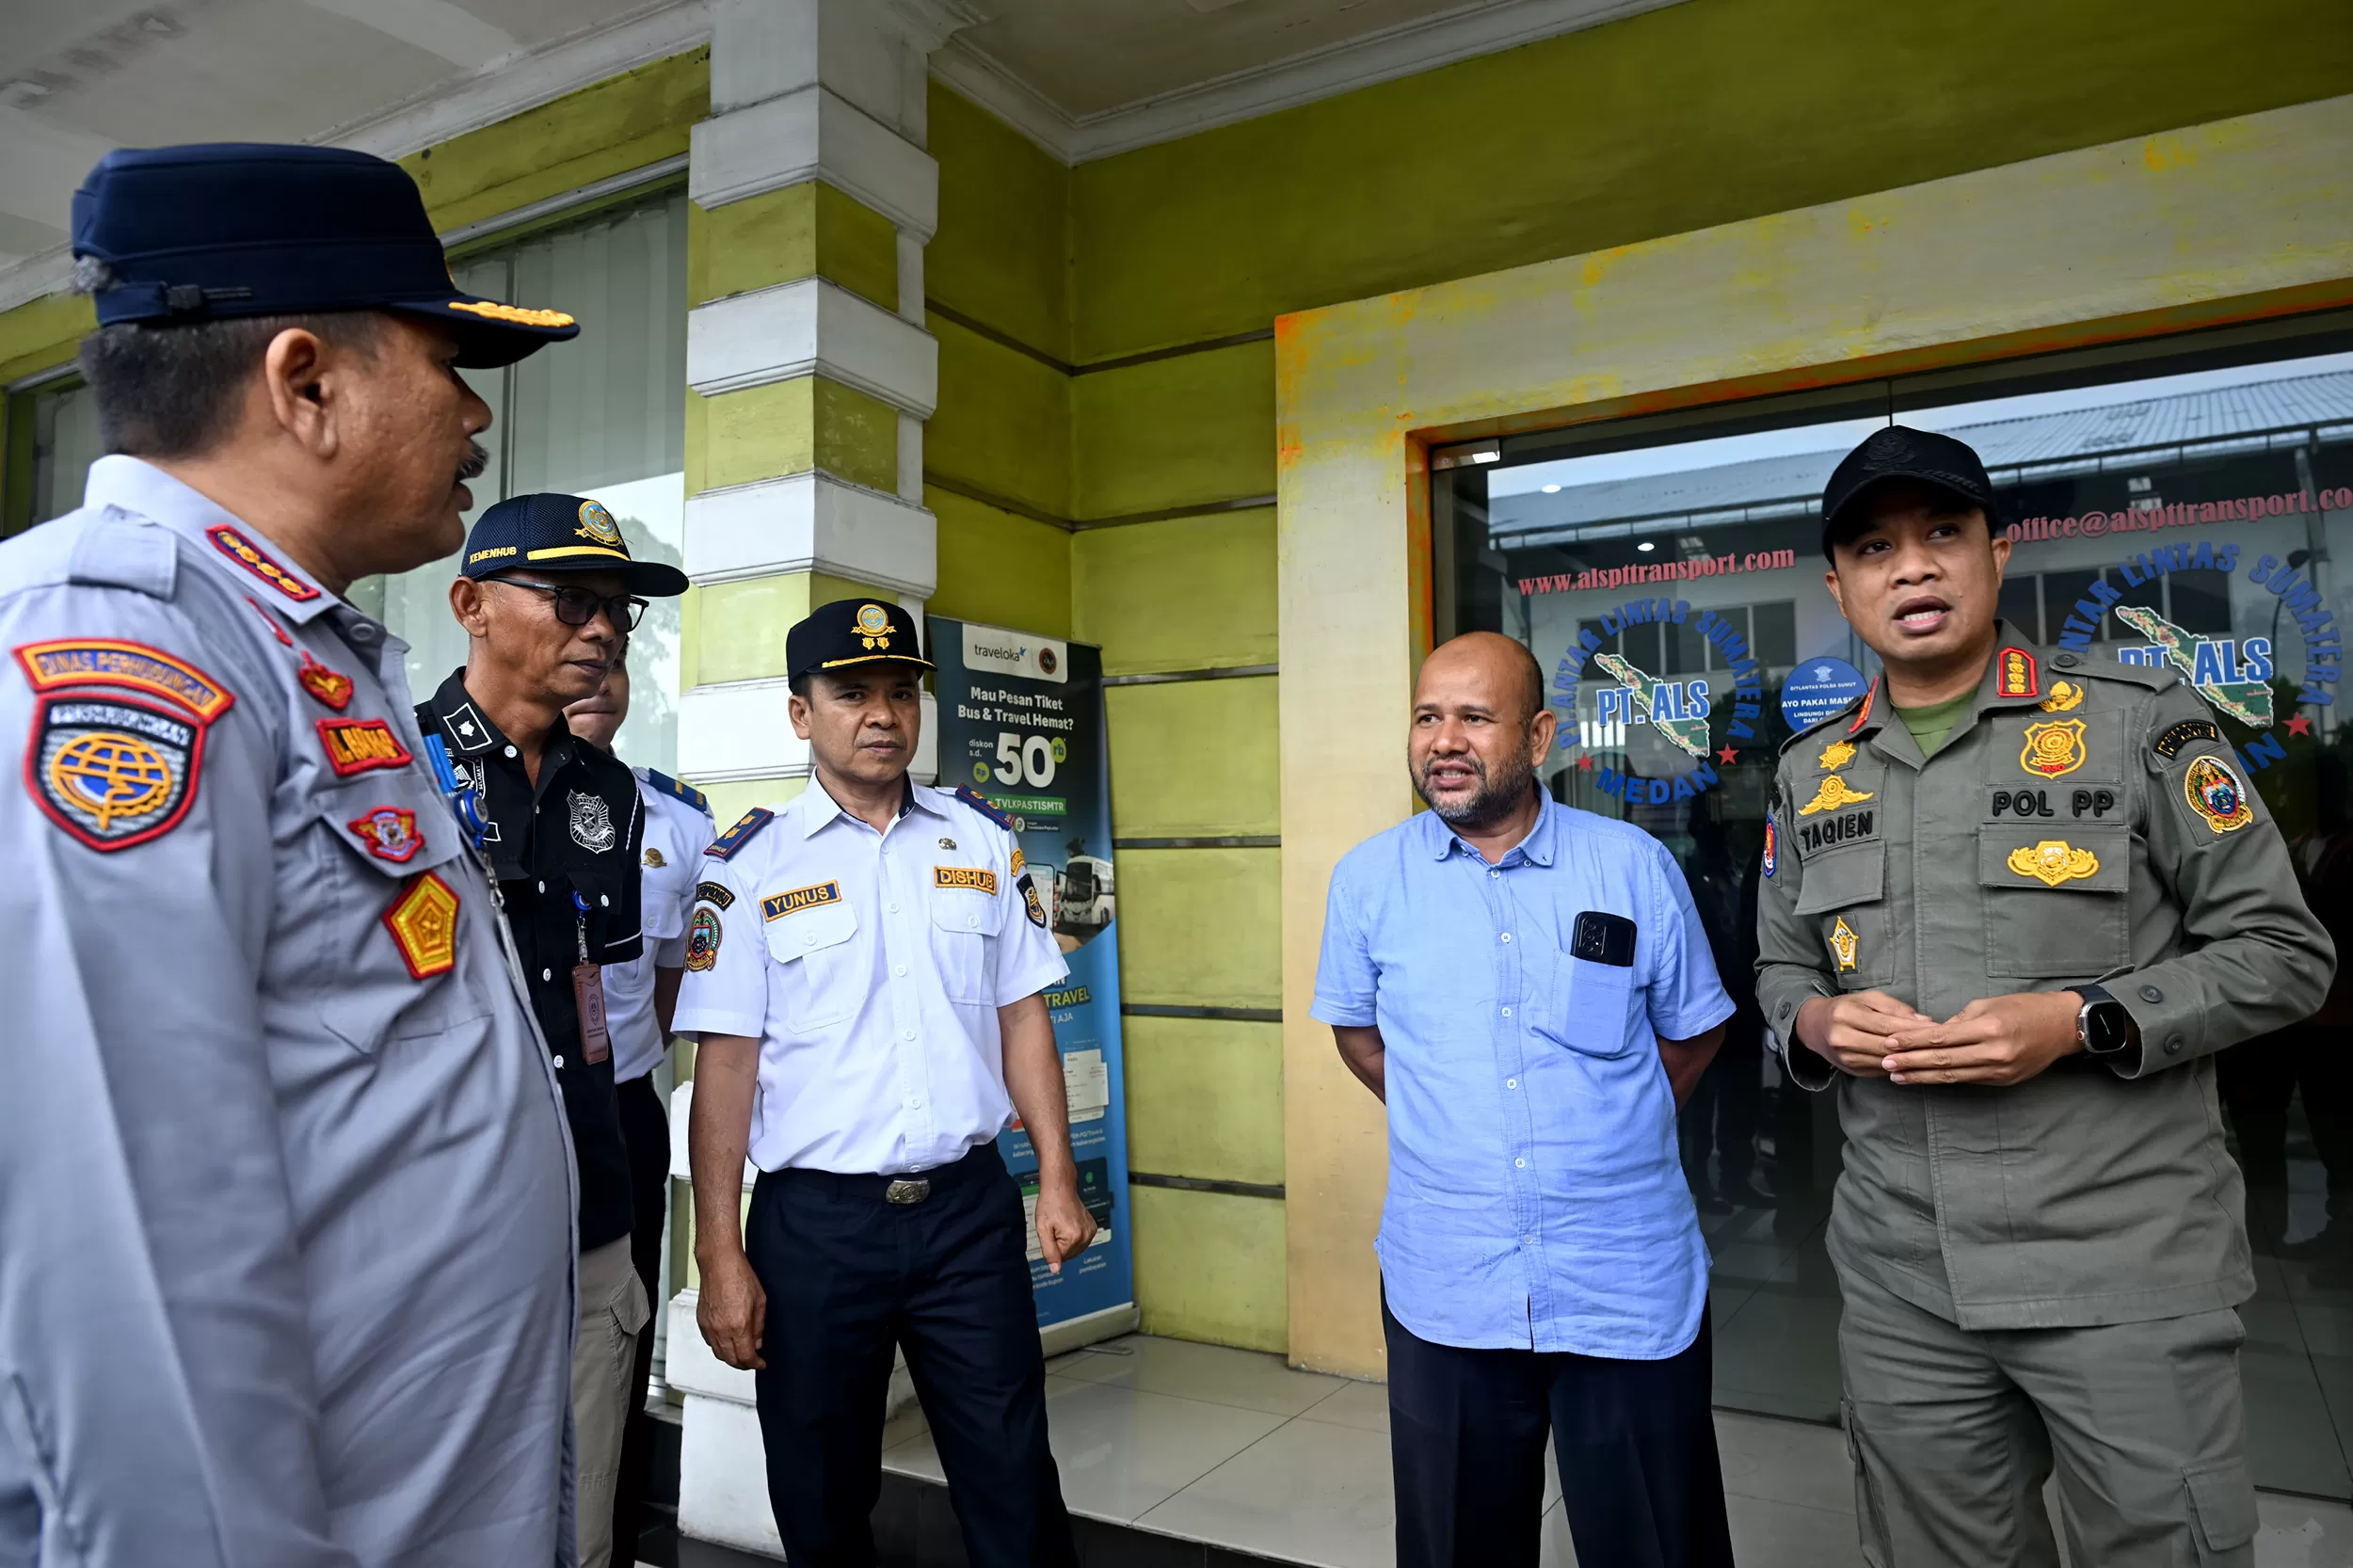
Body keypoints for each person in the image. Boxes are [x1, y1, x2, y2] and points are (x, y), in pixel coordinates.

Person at [0, 144, 582, 1565]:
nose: (476, 416)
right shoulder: (118, 646)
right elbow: (126, 1248)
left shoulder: (291, 644)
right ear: (305, 383)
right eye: (446, 364)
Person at [1754, 425, 2337, 1568]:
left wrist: (2081, 1020)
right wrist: (1816, 1021)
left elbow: (2282, 951)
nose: (1911, 567)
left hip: (2121, 1268)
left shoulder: (2138, 719)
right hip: (1902, 1280)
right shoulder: (1809, 767)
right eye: (1873, 548)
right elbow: (1782, 968)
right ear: (1838, 588)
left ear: (1997, 553)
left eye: (1942, 532)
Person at [676, 598, 1096, 1568]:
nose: (882, 715)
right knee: (821, 1495)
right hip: (817, 1231)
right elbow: (724, 1068)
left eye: (902, 693)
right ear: (801, 714)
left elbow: (1023, 1015)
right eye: (852, 693)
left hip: (966, 1218)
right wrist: (719, 1252)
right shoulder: (748, 867)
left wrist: (1058, 1176)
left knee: (1014, 1479)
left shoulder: (979, 841)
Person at [1312, 630, 1738, 1568]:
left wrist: (1605, 1131)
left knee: (1656, 1543)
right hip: (1449, 1280)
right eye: (1427, 717)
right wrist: (1449, 1114)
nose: (1444, 740)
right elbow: (1359, 1036)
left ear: (1539, 735)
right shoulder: (1369, 880)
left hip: (1621, 1279)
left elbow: (1693, 1032)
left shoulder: (1631, 865)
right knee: (1457, 1543)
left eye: (1474, 717)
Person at [415, 491, 688, 1568]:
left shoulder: (610, 793)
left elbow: (605, 988)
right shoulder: (391, 762)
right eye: (573, 600)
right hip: (439, 1223)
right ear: (472, 605)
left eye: (618, 608)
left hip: (589, 1208)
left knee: (580, 1528)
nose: (604, 629)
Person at [563, 648, 714, 1559]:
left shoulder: (679, 822)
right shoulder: (458, 786)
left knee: (619, 1327)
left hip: (620, 1109)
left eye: (617, 663)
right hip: (504, 1108)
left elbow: (669, 982)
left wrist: (621, 1070)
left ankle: (610, 1538)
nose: (597, 678)